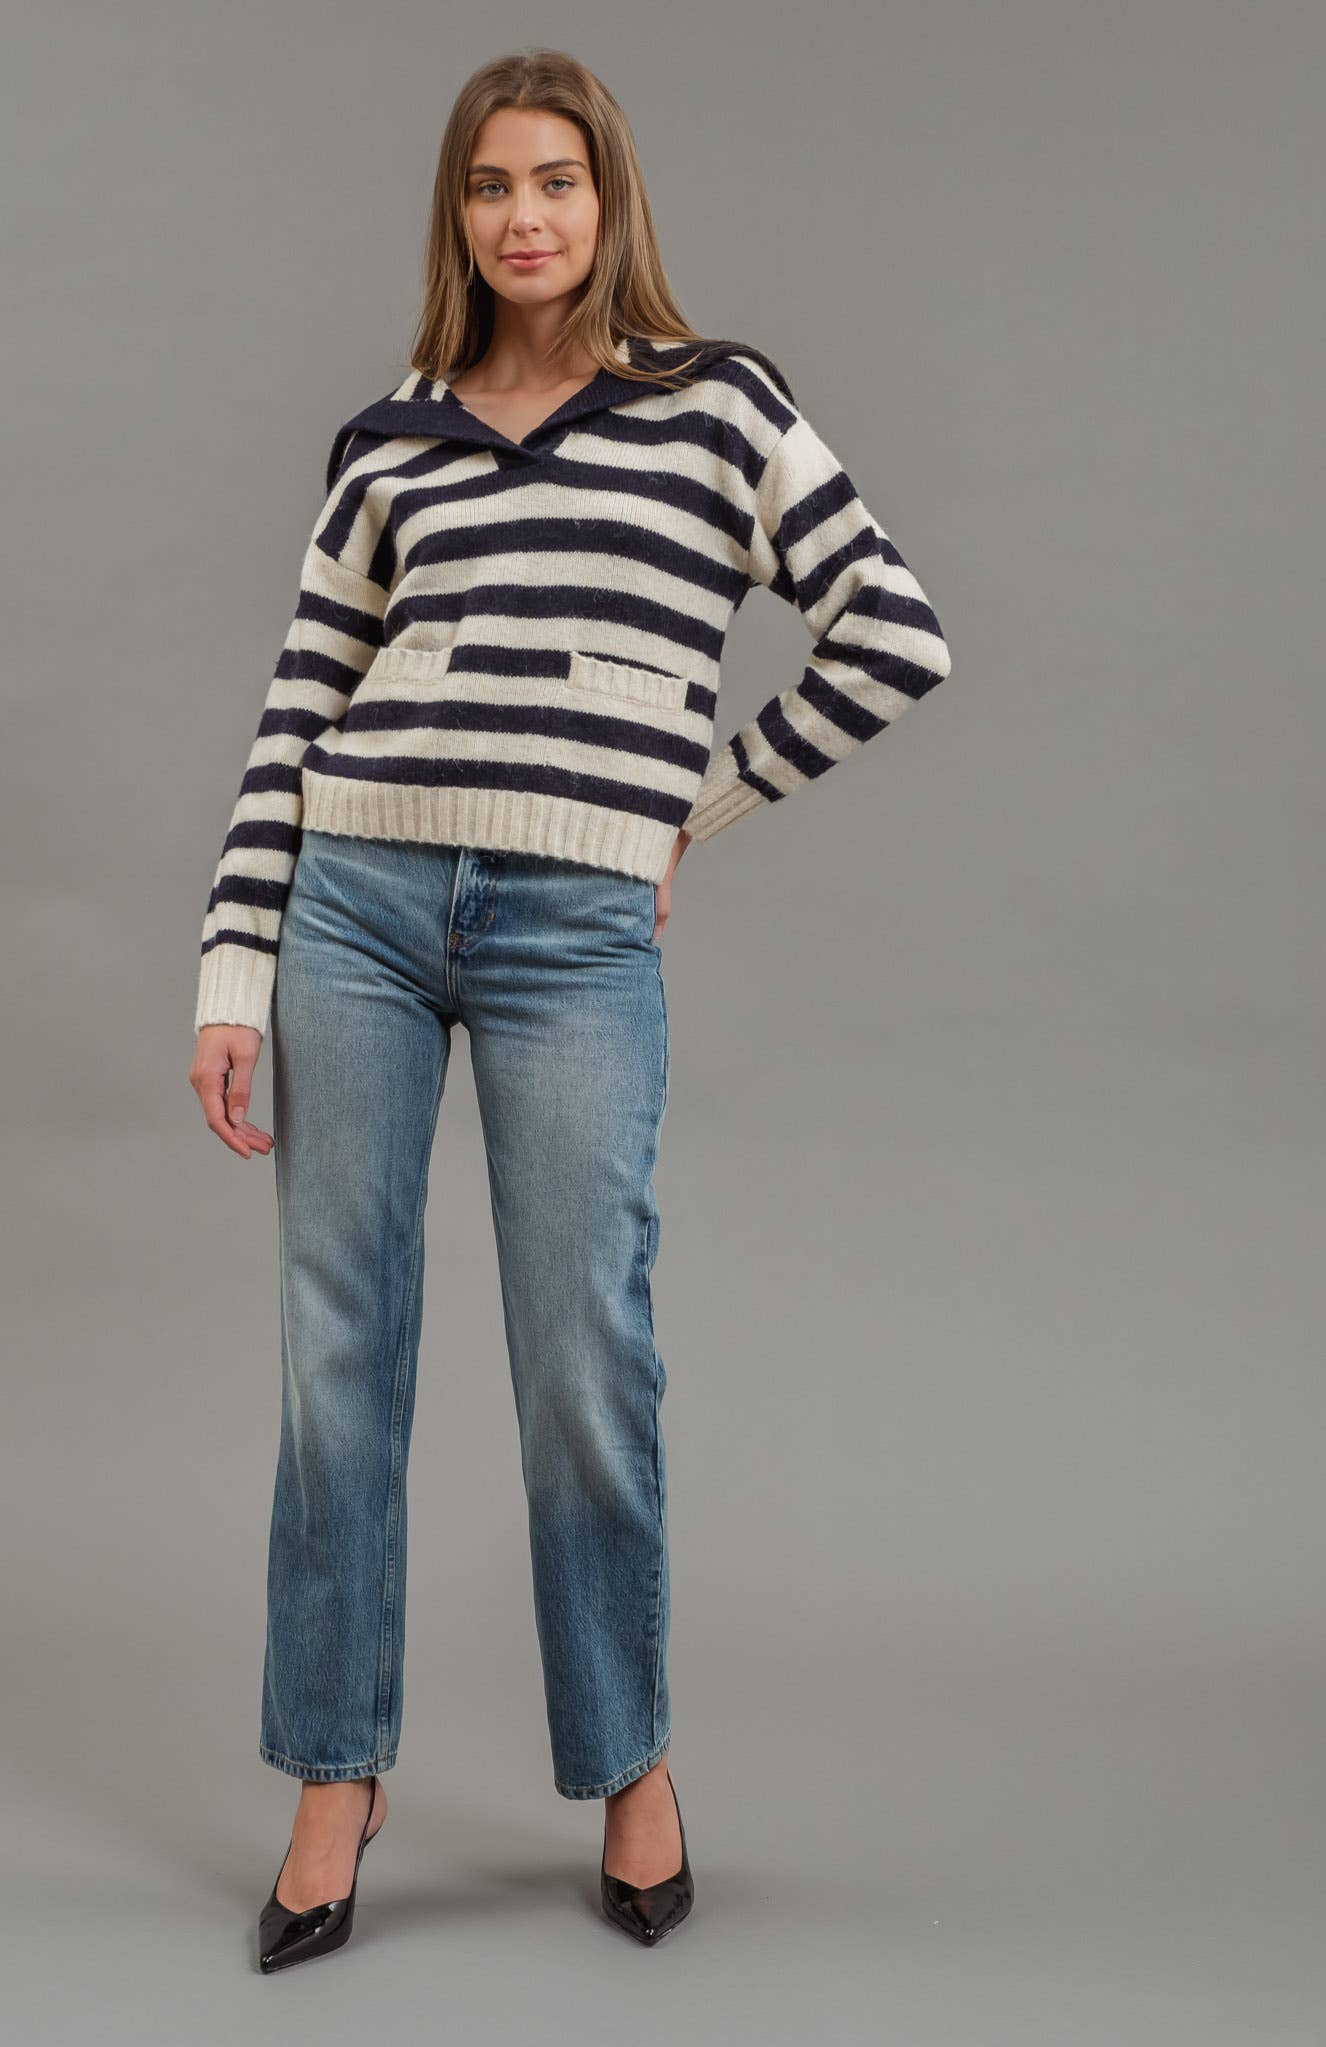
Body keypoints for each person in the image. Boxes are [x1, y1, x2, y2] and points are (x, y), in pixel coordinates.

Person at [187, 47, 951, 1970]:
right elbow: (297, 708)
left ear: (610, 200)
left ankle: (629, 1763)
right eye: (487, 185)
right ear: (453, 215)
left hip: (570, 935)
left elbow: (892, 633)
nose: (521, 216)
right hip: (352, 907)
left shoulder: (716, 407)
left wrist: (688, 805)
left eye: (554, 180)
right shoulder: (391, 437)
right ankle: (335, 1779)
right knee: (336, 1360)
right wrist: (230, 965)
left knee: (583, 1360)